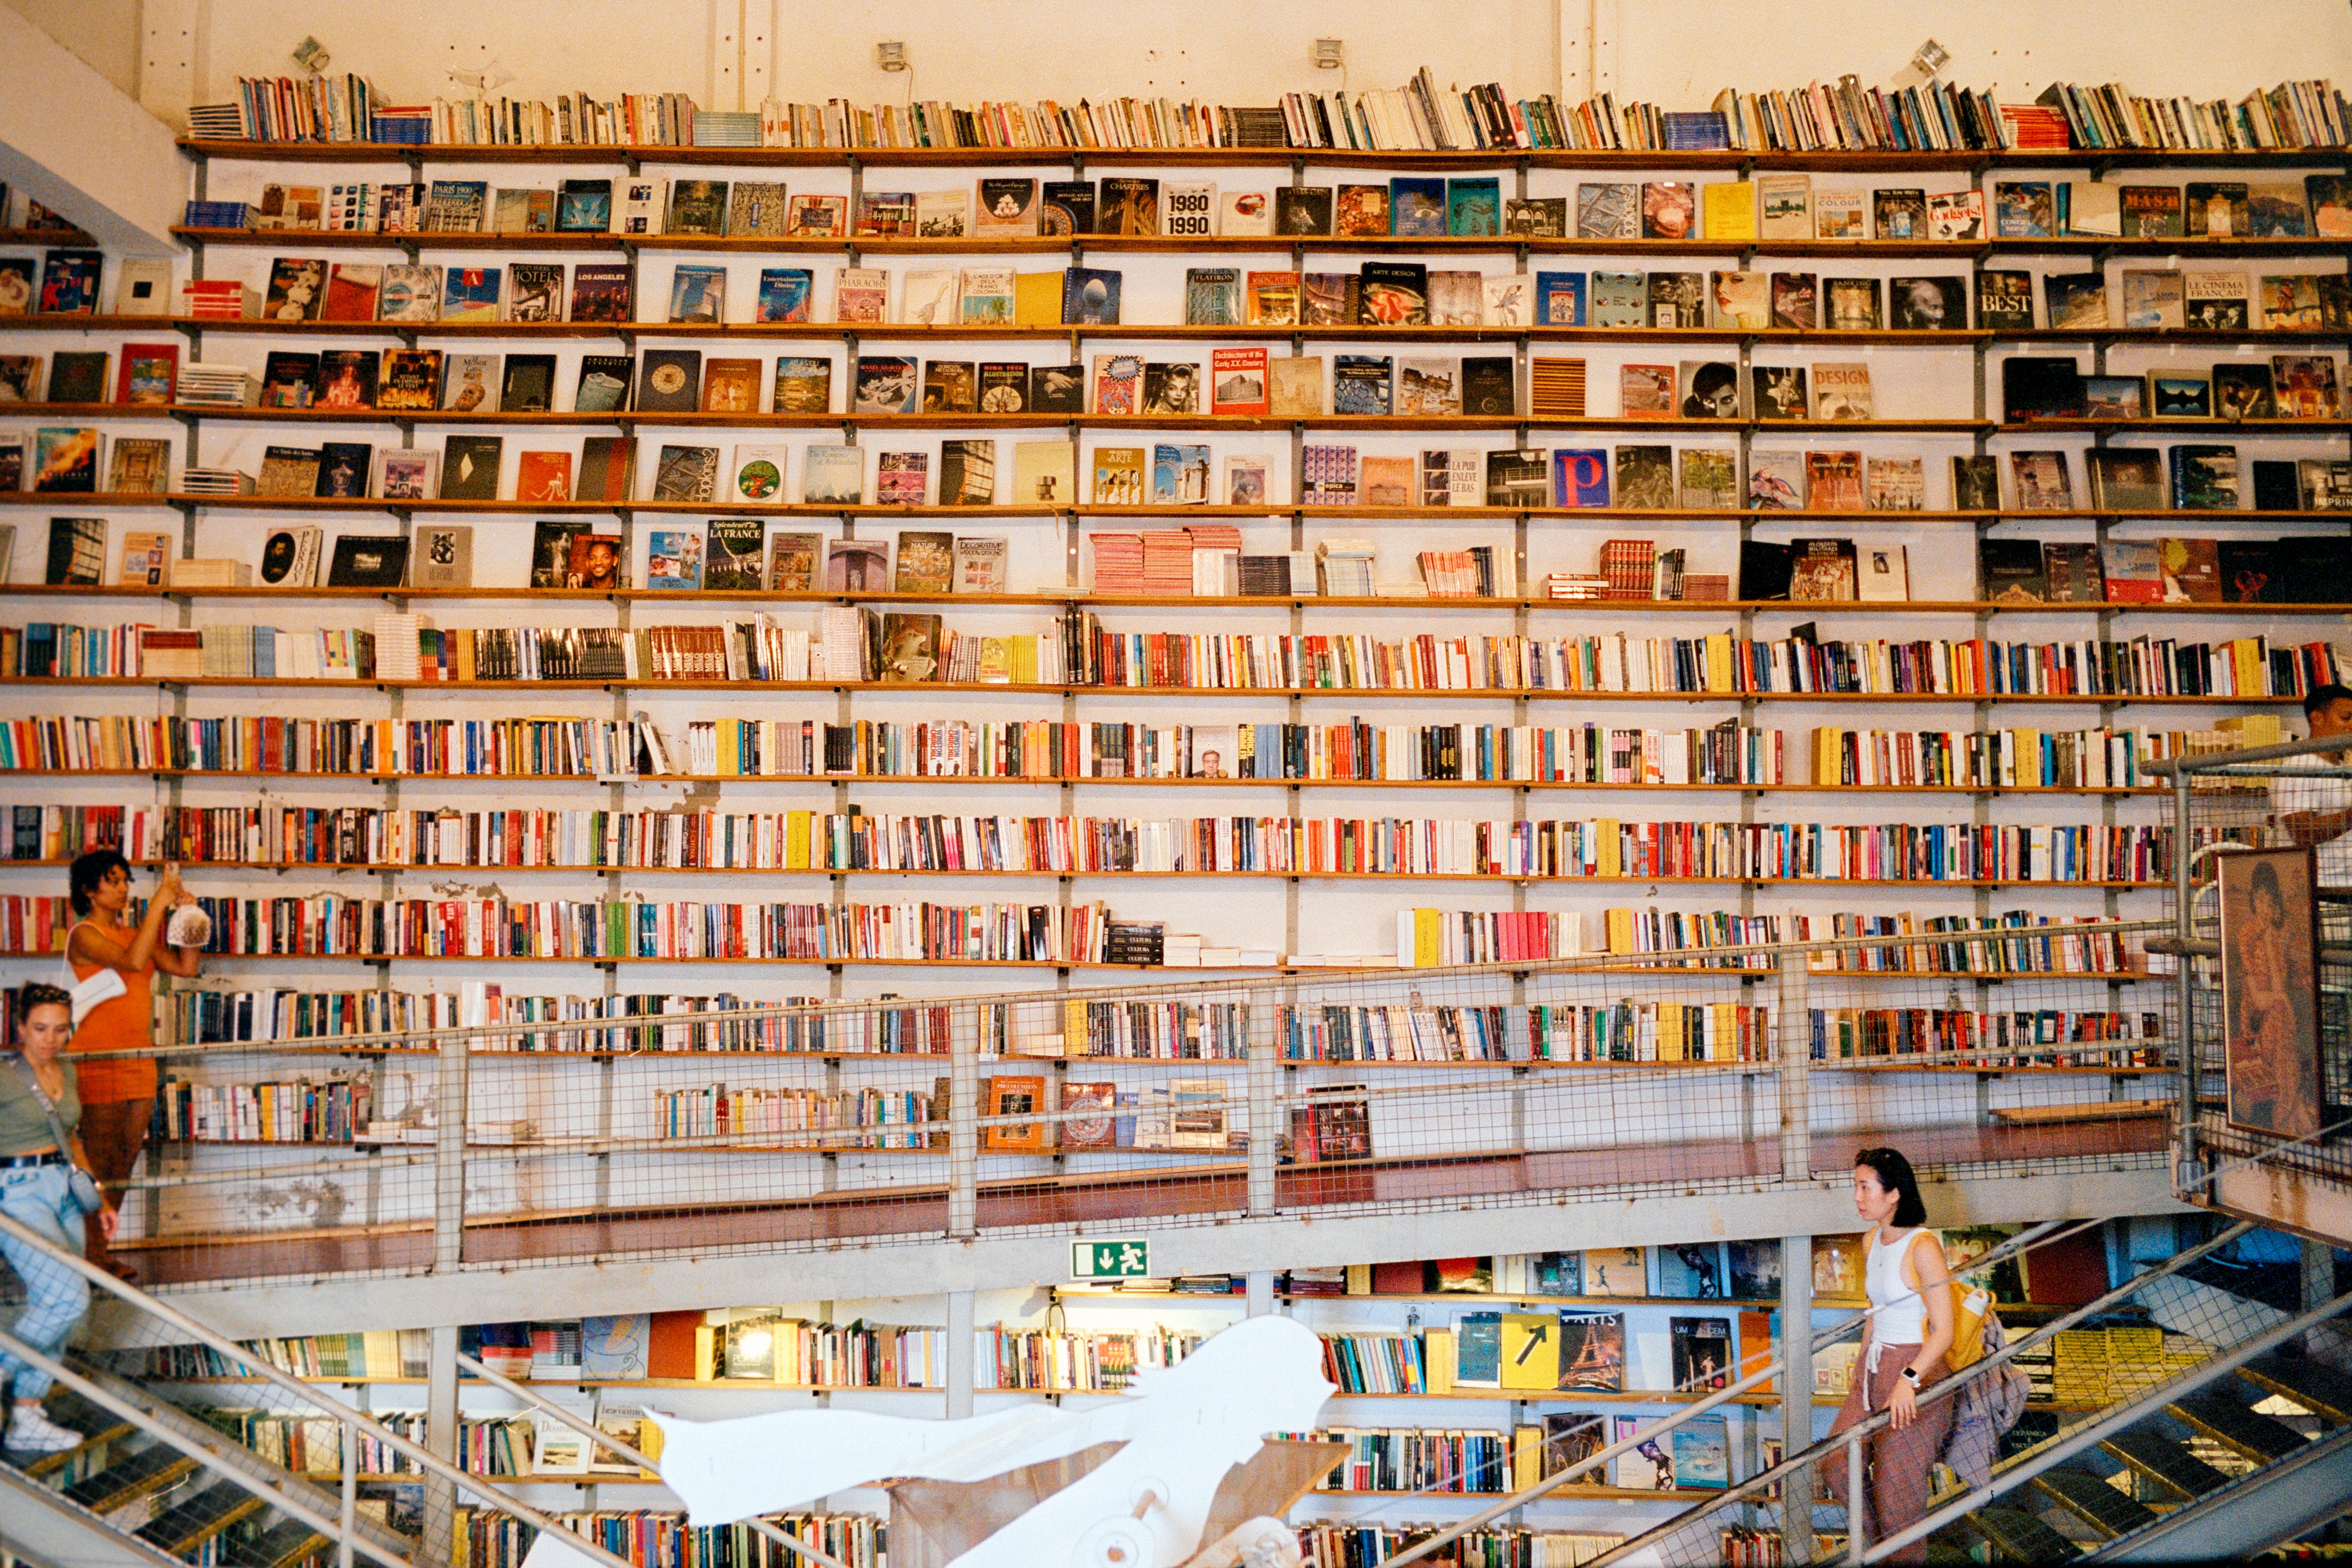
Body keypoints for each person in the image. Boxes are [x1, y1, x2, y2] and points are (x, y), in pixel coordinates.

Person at [65, 851, 199, 1281]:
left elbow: (186, 967)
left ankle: (99, 1253)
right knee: (99, 1164)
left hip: (139, 1060)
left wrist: (188, 919)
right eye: (114, 881)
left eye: (126, 880)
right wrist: (161, 900)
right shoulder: (84, 935)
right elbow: (132, 962)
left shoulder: (134, 933)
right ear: (89, 890)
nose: (124, 888)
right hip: (97, 1061)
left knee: (123, 1164)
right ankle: (89, 1255)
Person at [1823, 1147, 1955, 1566]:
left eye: (1866, 1188)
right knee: (1835, 1464)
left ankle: (1897, 1555)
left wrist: (1907, 1380)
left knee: (1897, 1496)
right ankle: (1882, 1552)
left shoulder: (1923, 1246)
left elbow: (1945, 1330)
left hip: (1917, 1372)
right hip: (1875, 1367)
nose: (1857, 1197)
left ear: (1894, 1193)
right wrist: (1860, 1373)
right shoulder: (1871, 1241)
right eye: (1856, 1187)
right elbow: (1874, 1314)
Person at [0, 982, 111, 1452]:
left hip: (64, 1188)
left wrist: (99, 1198)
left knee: (58, 1306)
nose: (51, 1039)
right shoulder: (4, 1077)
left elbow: (73, 1137)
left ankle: (28, 1414)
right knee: (68, 1298)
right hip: (16, 1191)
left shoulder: (67, 1069)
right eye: (41, 1028)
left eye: (61, 1029)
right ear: (21, 1027)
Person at [2277, 683, 2352, 889]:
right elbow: (2302, 833)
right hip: (2319, 888)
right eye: (2346, 718)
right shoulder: (2297, 766)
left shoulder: (2345, 767)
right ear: (2317, 719)